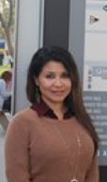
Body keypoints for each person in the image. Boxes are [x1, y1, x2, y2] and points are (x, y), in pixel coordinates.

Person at [5, 46, 100, 182]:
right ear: (36, 80)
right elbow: (17, 177)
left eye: (65, 76)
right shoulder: (21, 123)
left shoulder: (82, 118)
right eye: (49, 76)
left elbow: (92, 173)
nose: (58, 83)